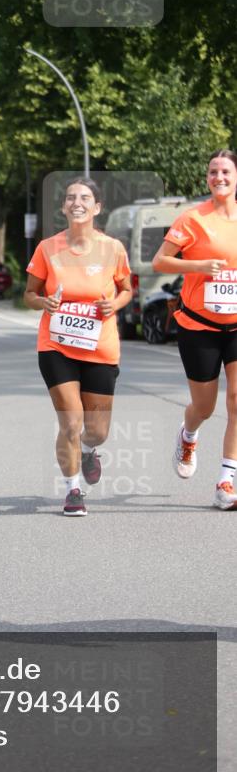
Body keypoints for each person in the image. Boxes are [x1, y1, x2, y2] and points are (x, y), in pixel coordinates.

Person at [24, 178, 132, 517]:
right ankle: (73, 490)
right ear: (63, 207)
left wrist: (114, 305)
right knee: (70, 422)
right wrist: (44, 302)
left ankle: (88, 450)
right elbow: (29, 295)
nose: (77, 202)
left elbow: (126, 289)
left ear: (97, 207)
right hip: (56, 346)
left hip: (100, 347)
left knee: (97, 431)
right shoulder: (47, 248)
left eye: (85, 197)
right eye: (70, 197)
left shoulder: (113, 248)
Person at [152, 149, 237, 510]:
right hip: (199, 325)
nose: (219, 177)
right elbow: (160, 261)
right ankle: (189, 435)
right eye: (213, 172)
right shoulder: (192, 218)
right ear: (207, 179)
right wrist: (200, 265)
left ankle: (226, 481)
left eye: (226, 171)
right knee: (204, 406)